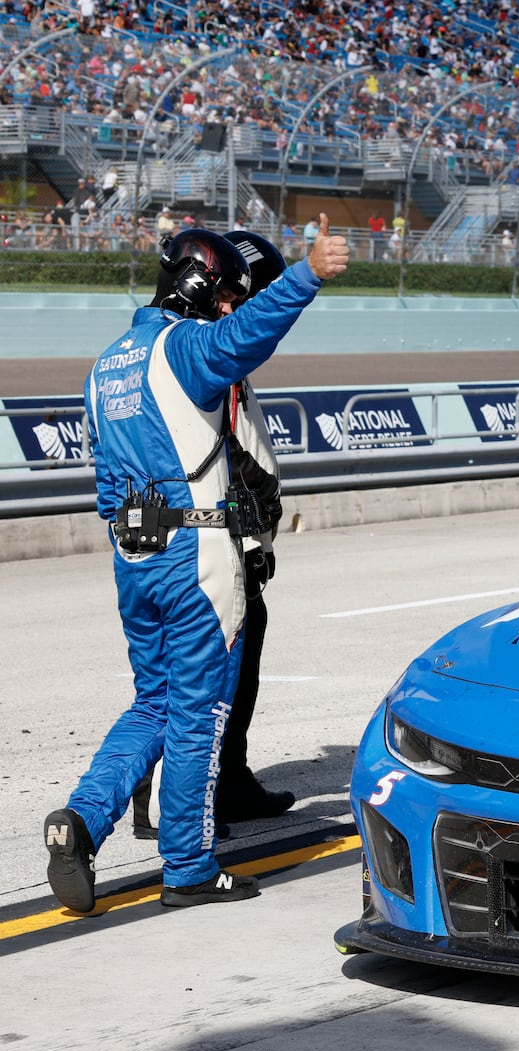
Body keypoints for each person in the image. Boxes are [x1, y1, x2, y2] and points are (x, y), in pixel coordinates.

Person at [45, 216, 349, 912]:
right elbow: (245, 336)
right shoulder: (180, 349)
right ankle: (187, 865)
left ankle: (84, 818)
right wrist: (305, 275)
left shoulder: (106, 364)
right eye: (220, 294)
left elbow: (102, 485)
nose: (225, 308)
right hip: (197, 557)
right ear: (194, 285)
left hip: (133, 555)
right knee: (198, 713)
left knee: (151, 702)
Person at [128, 229, 298, 841]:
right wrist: (251, 534)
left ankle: (226, 776)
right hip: (211, 538)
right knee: (204, 672)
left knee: (227, 665)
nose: (257, 305)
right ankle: (170, 797)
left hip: (204, 534)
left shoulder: (210, 348)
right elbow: (226, 456)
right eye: (256, 293)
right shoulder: (208, 353)